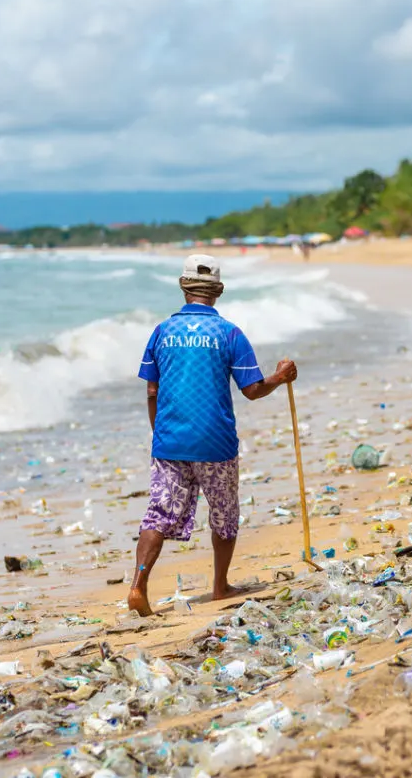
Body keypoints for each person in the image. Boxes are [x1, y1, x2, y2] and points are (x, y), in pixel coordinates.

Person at [128, 254, 297, 616]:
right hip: (216, 442)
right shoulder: (229, 333)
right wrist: (280, 377)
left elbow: (152, 392)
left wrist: (160, 434)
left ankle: (138, 585)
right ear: (218, 291)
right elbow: (251, 390)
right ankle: (220, 586)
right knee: (223, 513)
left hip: (170, 440)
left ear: (183, 287)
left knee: (158, 514)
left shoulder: (161, 332)